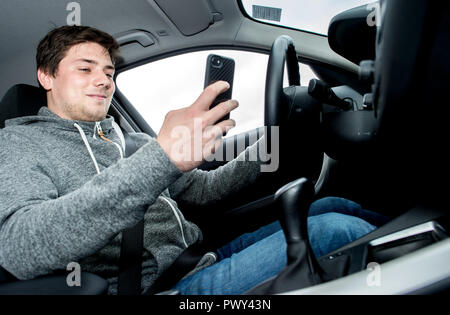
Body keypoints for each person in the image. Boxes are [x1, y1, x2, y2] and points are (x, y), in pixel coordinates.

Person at [0, 26, 380, 295]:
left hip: (200, 257)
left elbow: (203, 191)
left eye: (108, 72)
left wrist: (277, 136)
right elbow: (20, 247)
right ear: (47, 76)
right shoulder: (18, 143)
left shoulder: (129, 138)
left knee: (332, 206)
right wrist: (160, 158)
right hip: (156, 287)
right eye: (85, 69)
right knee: (336, 230)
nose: (103, 81)